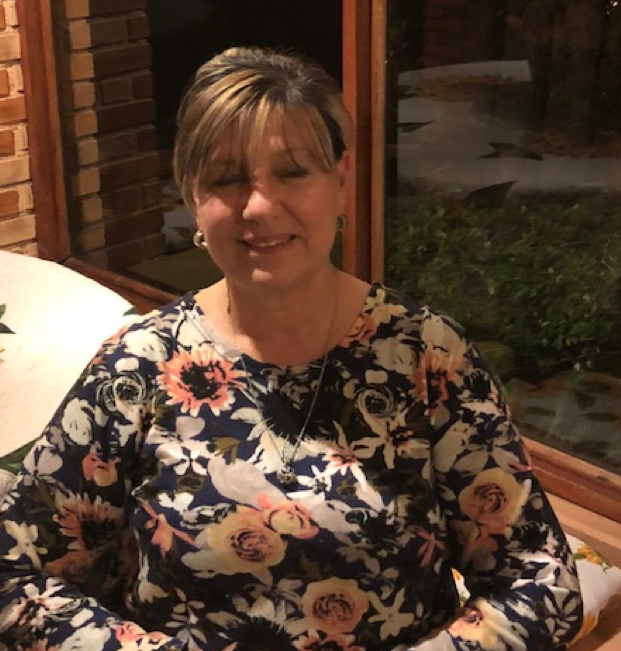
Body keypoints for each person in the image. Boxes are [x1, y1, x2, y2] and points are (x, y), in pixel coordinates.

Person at [0, 47, 582, 651]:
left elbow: (541, 581)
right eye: (226, 179)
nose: (259, 205)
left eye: (293, 171)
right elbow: (14, 575)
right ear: (192, 196)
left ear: (342, 179)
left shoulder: (427, 356)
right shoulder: (138, 366)